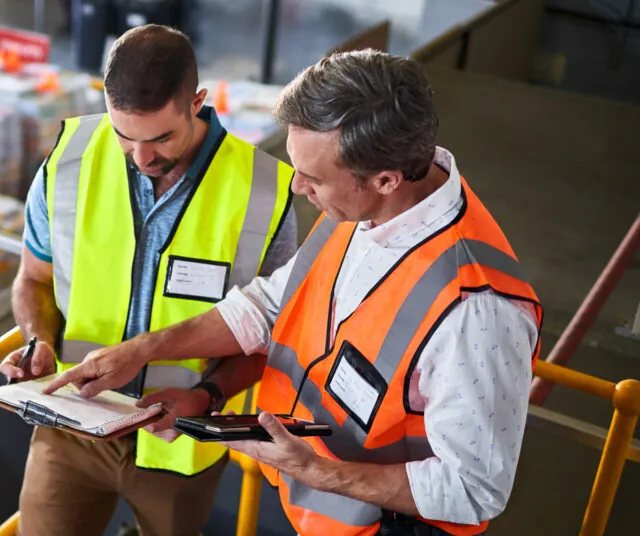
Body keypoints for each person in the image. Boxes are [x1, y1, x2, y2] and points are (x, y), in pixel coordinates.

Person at [45, 49, 544, 536]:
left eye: (314, 178)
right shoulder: (364, 207)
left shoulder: (477, 311)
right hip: (320, 512)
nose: (299, 187)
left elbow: (475, 489)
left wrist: (315, 470)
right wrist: (145, 350)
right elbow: (267, 305)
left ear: (387, 179)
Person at [0, 24, 299, 536]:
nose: (142, 158)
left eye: (162, 137)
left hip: (178, 445)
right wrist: (38, 341)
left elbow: (273, 334)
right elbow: (34, 278)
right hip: (71, 424)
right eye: (125, 136)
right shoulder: (68, 161)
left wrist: (206, 395)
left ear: (197, 103)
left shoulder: (265, 192)